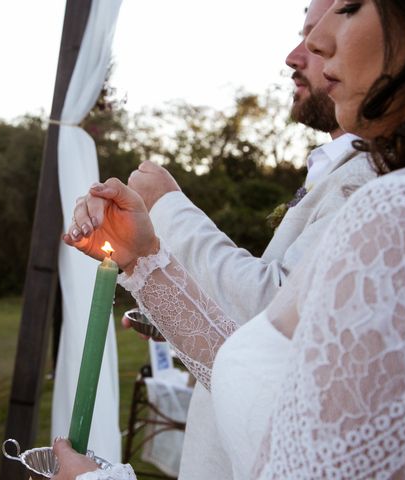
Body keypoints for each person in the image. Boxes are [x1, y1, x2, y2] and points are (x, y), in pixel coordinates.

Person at [55, 0, 405, 478]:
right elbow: (274, 391)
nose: (310, 46)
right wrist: (144, 261)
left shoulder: (403, 210)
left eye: (351, 6)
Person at [121, 0, 375, 476]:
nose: (298, 54)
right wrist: (175, 311)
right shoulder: (344, 171)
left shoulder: (370, 182)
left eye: (328, 29)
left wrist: (168, 207)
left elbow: (268, 312)